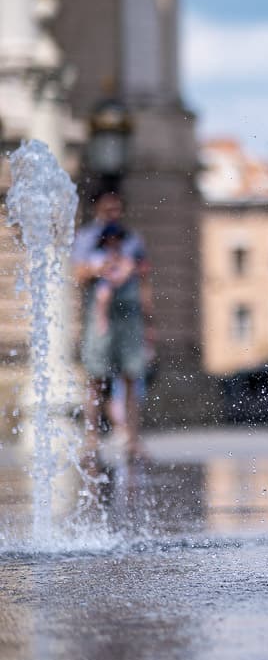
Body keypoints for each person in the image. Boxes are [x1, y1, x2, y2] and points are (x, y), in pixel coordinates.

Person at [73, 189, 152, 462]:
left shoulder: (132, 240)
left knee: (132, 376)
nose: (114, 215)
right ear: (98, 209)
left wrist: (149, 319)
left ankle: (132, 440)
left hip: (129, 316)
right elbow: (78, 274)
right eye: (109, 210)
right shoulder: (86, 239)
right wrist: (100, 269)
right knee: (95, 378)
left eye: (117, 209)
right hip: (101, 316)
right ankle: (91, 440)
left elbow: (144, 277)